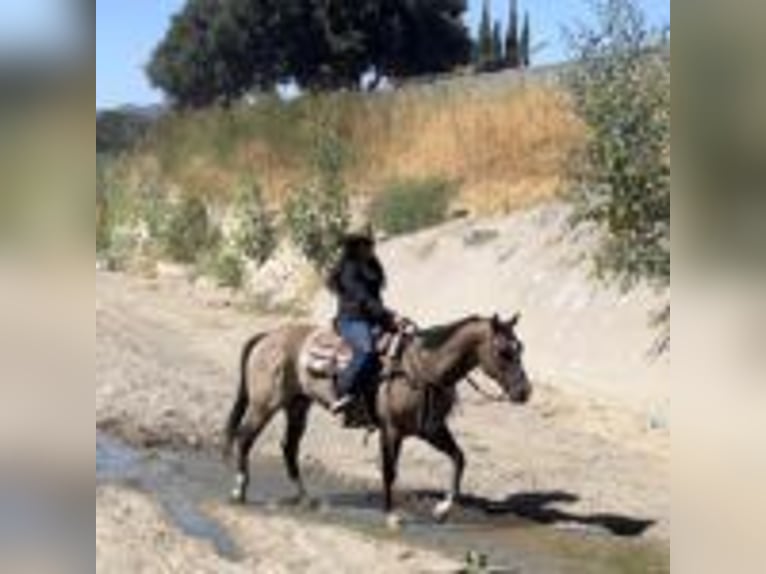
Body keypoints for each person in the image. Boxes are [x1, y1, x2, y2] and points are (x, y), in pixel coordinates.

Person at [326, 227, 397, 414]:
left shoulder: (372, 265)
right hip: (351, 320)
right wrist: (387, 315)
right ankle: (343, 391)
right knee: (366, 351)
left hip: (373, 317)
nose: (370, 247)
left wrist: (388, 318)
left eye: (370, 243)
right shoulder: (348, 269)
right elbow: (363, 298)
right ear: (355, 246)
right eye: (366, 244)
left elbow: (375, 299)